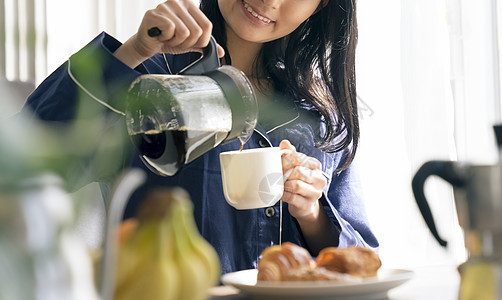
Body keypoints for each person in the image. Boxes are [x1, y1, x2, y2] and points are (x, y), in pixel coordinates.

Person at [22, 0, 378, 274]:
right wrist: (134, 51)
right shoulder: (145, 85)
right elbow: (24, 162)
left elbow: (363, 262)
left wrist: (311, 213)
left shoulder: (320, 117)